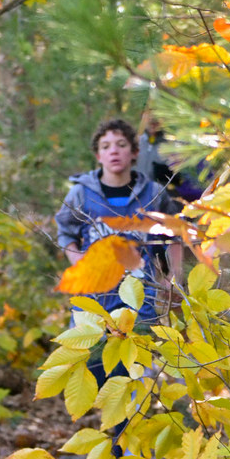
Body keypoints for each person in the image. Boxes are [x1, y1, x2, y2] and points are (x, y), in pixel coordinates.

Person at [55, 117, 183, 339]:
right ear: (98, 156)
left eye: (121, 145)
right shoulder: (81, 193)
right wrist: (80, 263)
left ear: (134, 152)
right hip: (93, 295)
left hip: (140, 295)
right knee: (88, 359)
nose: (113, 151)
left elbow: (175, 235)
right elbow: (65, 232)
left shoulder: (153, 193)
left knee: (136, 364)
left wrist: (174, 275)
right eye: (106, 146)